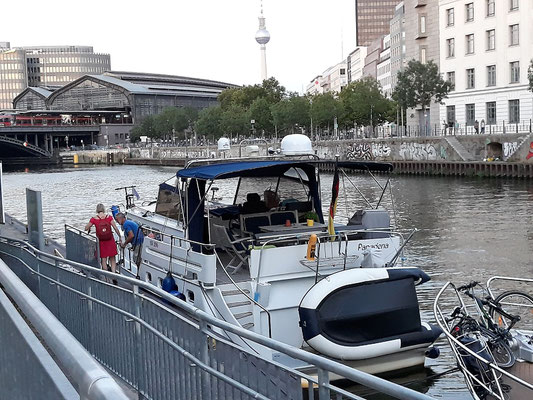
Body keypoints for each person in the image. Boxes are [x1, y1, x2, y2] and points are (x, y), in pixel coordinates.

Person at [85, 203, 120, 273]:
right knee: (112, 258)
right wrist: (120, 237)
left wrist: (90, 228)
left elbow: (86, 228)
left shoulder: (94, 219)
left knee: (103, 259)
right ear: (104, 209)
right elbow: (115, 228)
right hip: (110, 240)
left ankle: (106, 276)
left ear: (97, 210)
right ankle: (114, 274)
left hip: (101, 241)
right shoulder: (109, 217)